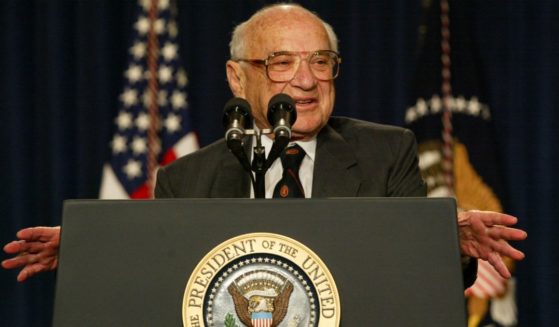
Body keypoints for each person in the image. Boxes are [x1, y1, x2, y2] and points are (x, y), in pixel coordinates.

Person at [2, 3, 526, 286]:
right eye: (281, 62)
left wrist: (440, 239)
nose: (305, 80)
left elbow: (412, 276)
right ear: (237, 79)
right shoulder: (187, 178)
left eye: (320, 62)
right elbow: (164, 272)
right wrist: (93, 249)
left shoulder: (386, 151)